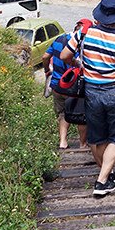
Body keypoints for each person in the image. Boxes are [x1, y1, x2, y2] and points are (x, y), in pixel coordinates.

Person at [61, 0, 115, 197]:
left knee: (97, 138)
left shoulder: (84, 33)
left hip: (91, 92)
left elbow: (64, 55)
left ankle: (107, 177)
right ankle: (101, 182)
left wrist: (80, 64)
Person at [42, 18, 92, 149]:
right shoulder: (82, 44)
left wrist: (47, 71)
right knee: (80, 114)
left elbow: (45, 57)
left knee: (63, 113)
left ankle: (63, 142)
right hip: (75, 87)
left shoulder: (59, 39)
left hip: (58, 86)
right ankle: (83, 144)